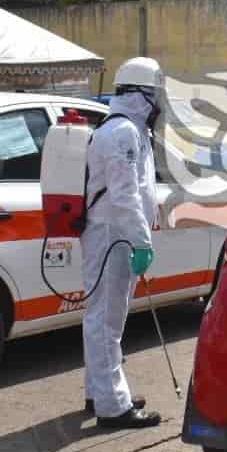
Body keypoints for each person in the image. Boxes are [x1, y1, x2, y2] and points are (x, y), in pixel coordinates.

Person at [79, 57, 164, 429]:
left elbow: (140, 190)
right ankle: (112, 406)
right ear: (143, 95)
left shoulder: (132, 130)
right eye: (157, 95)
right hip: (112, 237)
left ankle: (101, 390)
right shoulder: (122, 133)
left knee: (105, 319)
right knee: (106, 321)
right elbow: (125, 195)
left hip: (117, 236)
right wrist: (141, 241)